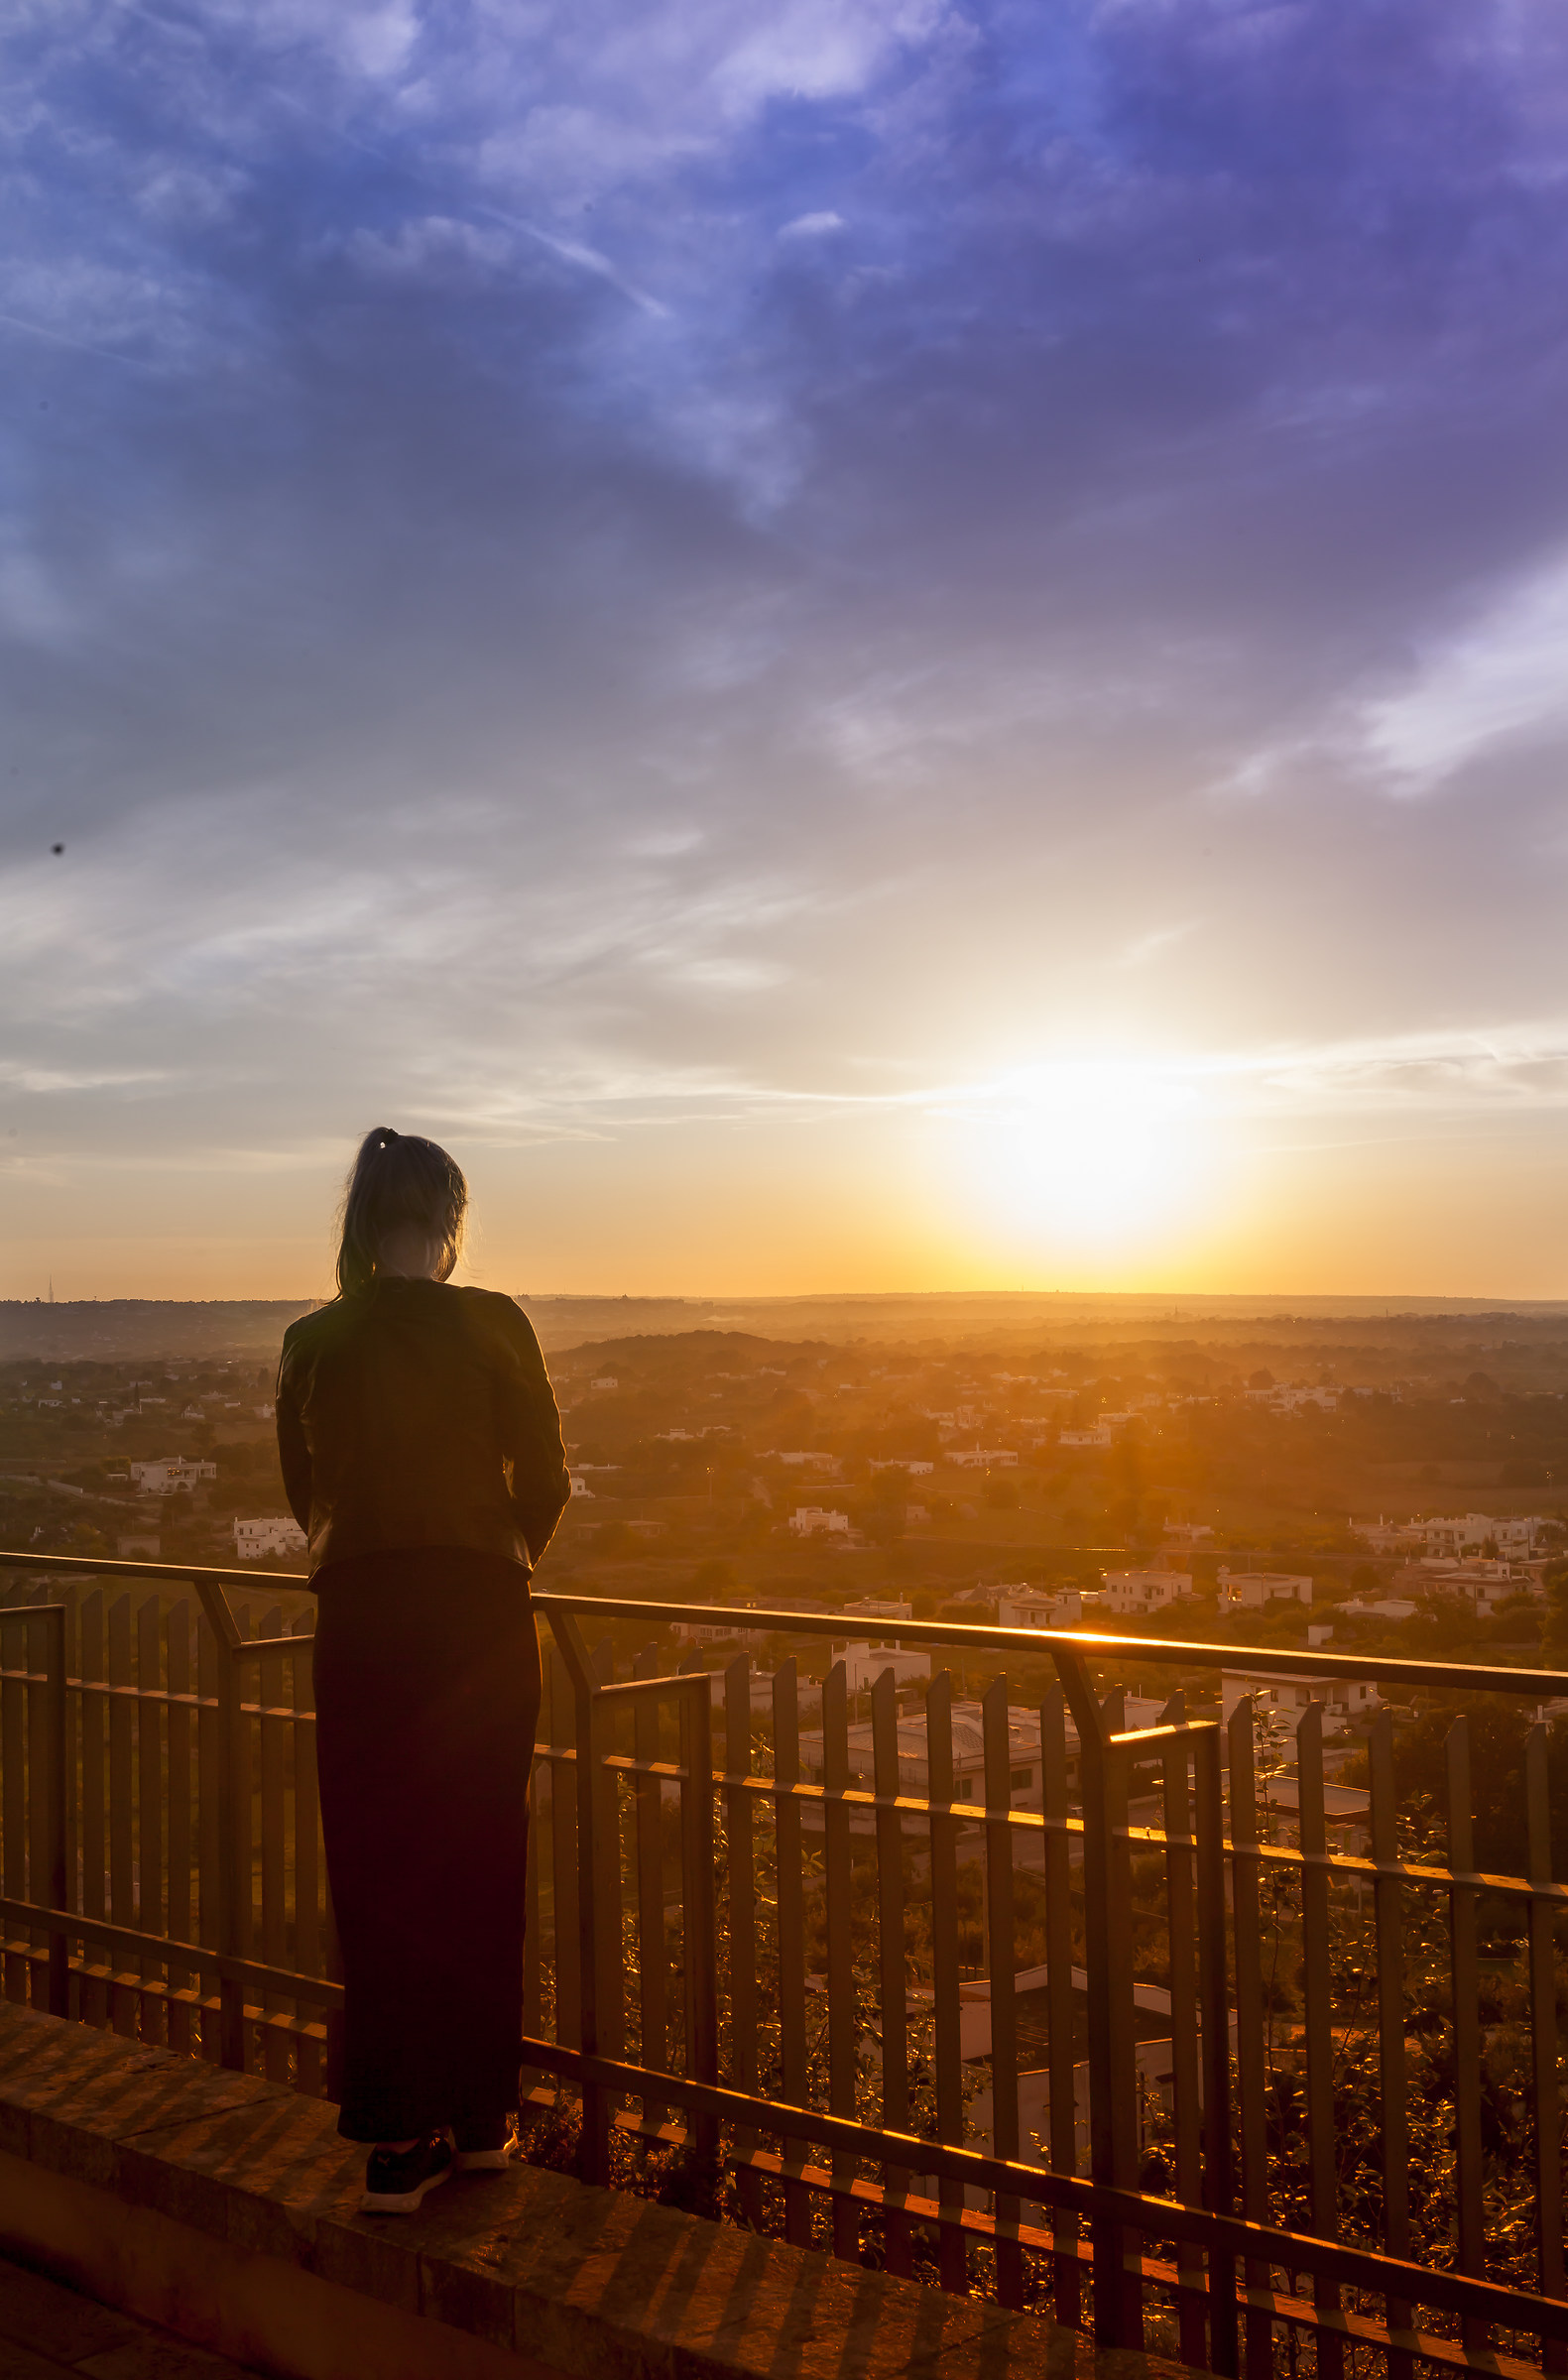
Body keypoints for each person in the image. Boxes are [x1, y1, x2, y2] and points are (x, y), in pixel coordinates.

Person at [276, 1129, 569, 2213]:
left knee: (380, 1864)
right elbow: (545, 1476)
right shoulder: (494, 1321)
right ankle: (484, 2116)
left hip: (361, 1610)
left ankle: (399, 2133)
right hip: (481, 1615)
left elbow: (305, 1490)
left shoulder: (314, 1341)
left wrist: (372, 1551)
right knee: (482, 1859)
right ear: (448, 1220)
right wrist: (497, 1555)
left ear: (360, 1221)